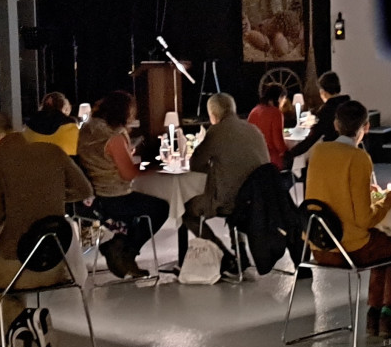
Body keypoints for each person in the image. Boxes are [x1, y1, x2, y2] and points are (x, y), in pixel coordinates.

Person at [0, 112, 94, 347]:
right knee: (5, 276)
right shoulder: (52, 151)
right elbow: (85, 191)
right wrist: (49, 196)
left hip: (18, 268)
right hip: (58, 265)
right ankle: (20, 340)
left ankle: (22, 319)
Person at [305, 100, 391, 338]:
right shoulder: (358, 158)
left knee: (383, 245)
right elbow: (365, 220)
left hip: (320, 245)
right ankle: (386, 314)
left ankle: (376, 314)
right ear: (366, 127)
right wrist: (389, 199)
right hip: (348, 248)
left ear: (335, 124)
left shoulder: (319, 152)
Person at [78, 91, 169, 279]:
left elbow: (101, 159)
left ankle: (121, 247)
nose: (133, 117)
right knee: (160, 208)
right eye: (131, 112)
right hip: (114, 196)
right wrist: (154, 167)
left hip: (93, 196)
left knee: (143, 206)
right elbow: (128, 174)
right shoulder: (114, 137)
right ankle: (126, 251)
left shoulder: (87, 129)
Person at [181, 93, 270, 274]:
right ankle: (241, 250)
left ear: (213, 114)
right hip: (258, 199)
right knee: (235, 190)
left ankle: (224, 256)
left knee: (187, 212)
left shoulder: (217, 131)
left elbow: (195, 164)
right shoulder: (253, 129)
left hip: (234, 201)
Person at [285, 71, 350, 160]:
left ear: (322, 91)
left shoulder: (326, 110)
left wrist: (290, 154)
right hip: (352, 149)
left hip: (333, 153)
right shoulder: (350, 104)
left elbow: (312, 138)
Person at [24, 91, 80, 156]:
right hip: (63, 164)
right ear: (64, 108)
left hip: (35, 163)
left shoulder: (28, 126)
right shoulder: (70, 125)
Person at [247, 83, 288, 170]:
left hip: (255, 157)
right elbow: (278, 142)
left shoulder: (254, 110)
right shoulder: (275, 113)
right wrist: (287, 152)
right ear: (279, 98)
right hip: (271, 159)